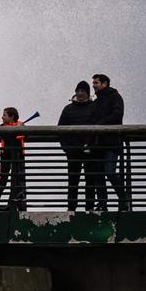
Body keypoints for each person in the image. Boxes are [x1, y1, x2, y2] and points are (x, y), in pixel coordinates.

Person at [90, 73, 129, 211]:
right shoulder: (96, 102)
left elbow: (117, 115)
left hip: (112, 142)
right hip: (98, 143)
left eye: (96, 83)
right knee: (99, 175)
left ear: (105, 83)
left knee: (109, 172)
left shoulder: (115, 97)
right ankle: (102, 204)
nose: (93, 85)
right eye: (93, 83)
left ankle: (123, 199)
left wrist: (100, 124)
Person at [56, 81, 97, 211]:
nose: (79, 93)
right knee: (73, 182)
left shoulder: (95, 107)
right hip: (73, 151)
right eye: (77, 91)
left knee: (90, 182)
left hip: (91, 151)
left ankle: (89, 209)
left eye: (82, 91)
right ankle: (71, 209)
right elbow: (60, 130)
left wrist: (93, 146)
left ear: (87, 93)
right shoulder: (68, 109)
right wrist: (66, 149)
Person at [0, 106, 26, 211]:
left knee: (19, 182)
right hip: (6, 157)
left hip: (18, 157)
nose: (2, 117)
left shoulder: (21, 125)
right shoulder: (2, 127)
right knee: (3, 181)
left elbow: (26, 135)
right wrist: (17, 128)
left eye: (4, 115)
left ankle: (17, 206)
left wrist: (21, 127)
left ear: (12, 117)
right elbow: (4, 135)